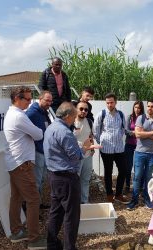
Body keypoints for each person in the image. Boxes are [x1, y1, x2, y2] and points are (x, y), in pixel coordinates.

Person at [44, 102, 98, 250]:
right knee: (71, 215)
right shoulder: (65, 131)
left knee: (56, 211)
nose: (75, 119)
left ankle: (52, 243)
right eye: (74, 116)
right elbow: (75, 156)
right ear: (67, 116)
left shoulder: (51, 128)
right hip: (67, 178)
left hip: (54, 176)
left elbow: (61, 151)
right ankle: (69, 247)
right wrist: (86, 147)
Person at [3, 86, 46, 249]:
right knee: (33, 199)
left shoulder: (12, 114)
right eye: (27, 99)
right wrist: (36, 130)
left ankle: (17, 232)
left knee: (16, 197)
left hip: (15, 163)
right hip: (22, 164)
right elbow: (39, 134)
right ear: (17, 99)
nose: (30, 102)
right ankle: (34, 239)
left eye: (30, 99)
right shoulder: (19, 116)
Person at [127, 99, 153, 210]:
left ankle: (147, 199)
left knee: (148, 178)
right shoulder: (141, 118)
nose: (149, 108)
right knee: (137, 177)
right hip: (140, 153)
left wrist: (145, 134)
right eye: (148, 106)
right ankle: (134, 200)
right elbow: (138, 134)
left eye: (152, 106)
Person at [92, 93, 129, 204]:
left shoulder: (121, 114)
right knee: (108, 173)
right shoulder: (101, 114)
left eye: (111, 102)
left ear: (115, 102)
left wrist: (119, 138)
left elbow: (124, 129)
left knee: (123, 170)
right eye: (107, 102)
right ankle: (109, 195)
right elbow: (95, 130)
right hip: (106, 149)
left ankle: (118, 194)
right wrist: (101, 142)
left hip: (119, 149)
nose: (109, 104)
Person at [26, 90, 53, 209]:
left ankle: (39, 203)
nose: (49, 103)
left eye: (50, 101)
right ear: (40, 99)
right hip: (37, 151)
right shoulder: (32, 113)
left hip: (45, 151)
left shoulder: (44, 112)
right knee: (36, 181)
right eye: (47, 100)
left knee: (42, 179)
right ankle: (32, 208)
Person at [72, 101, 94, 204]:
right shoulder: (71, 122)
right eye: (81, 109)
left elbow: (90, 136)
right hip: (76, 156)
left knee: (85, 180)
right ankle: (74, 202)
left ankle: (84, 202)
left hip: (88, 155)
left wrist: (92, 147)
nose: (83, 111)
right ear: (76, 109)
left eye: (86, 109)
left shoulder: (89, 121)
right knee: (75, 180)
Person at [124, 100, 144, 193]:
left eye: (139, 107)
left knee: (138, 167)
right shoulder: (130, 117)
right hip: (129, 145)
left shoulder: (144, 118)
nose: (137, 109)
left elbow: (145, 131)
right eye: (135, 107)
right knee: (128, 166)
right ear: (133, 108)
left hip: (140, 146)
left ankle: (138, 186)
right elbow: (126, 131)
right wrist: (137, 133)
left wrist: (139, 133)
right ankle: (127, 185)